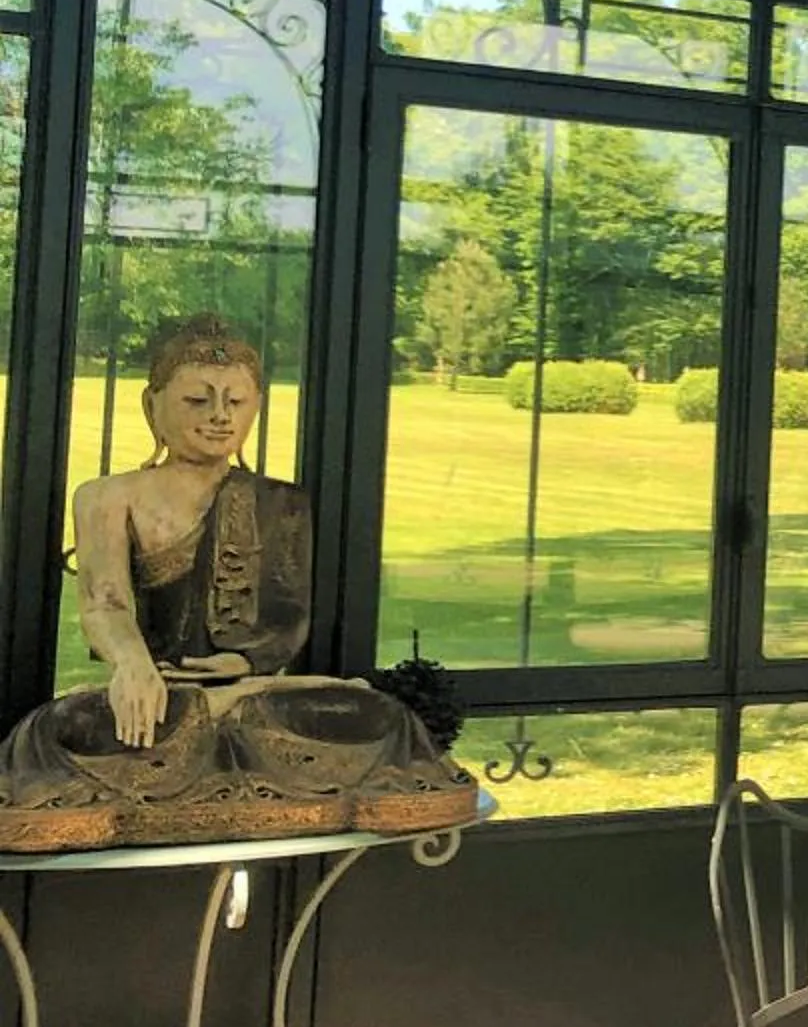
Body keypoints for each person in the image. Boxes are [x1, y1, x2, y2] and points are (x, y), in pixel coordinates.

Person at [0, 316, 480, 852]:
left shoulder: (279, 502)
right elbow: (103, 601)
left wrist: (247, 667)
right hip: (158, 698)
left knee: (378, 716)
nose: (220, 417)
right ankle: (223, 719)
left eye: (237, 402)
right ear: (151, 405)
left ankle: (233, 709)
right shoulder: (107, 498)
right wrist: (132, 665)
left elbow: (286, 615)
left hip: (253, 697)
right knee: (68, 726)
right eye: (197, 401)